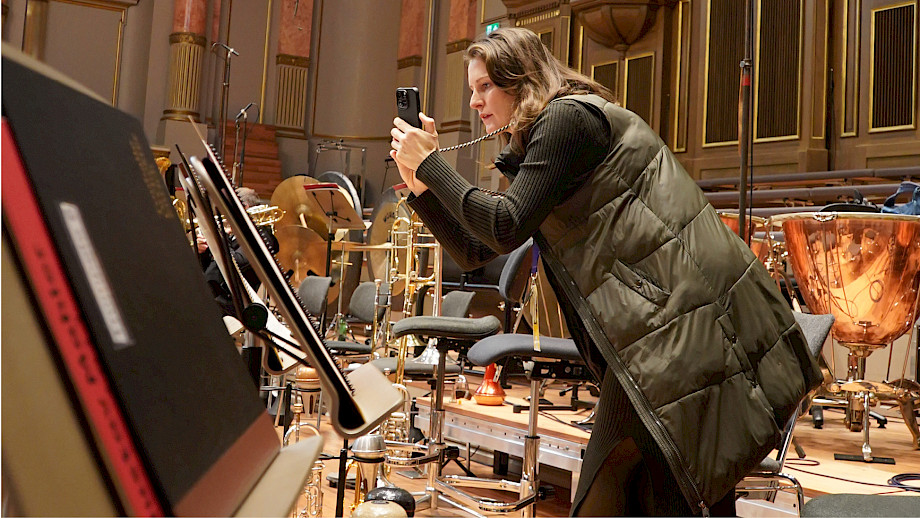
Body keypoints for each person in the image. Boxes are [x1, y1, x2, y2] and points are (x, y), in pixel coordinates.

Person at [390, 27, 822, 516]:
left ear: (521, 80)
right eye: (473, 89)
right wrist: (421, 188)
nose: (473, 102)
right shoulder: (548, 134)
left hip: (675, 327)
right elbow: (476, 248)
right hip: (661, 328)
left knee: (618, 487)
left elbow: (503, 225)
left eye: (484, 86)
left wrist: (432, 164)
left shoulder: (566, 119)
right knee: (676, 493)